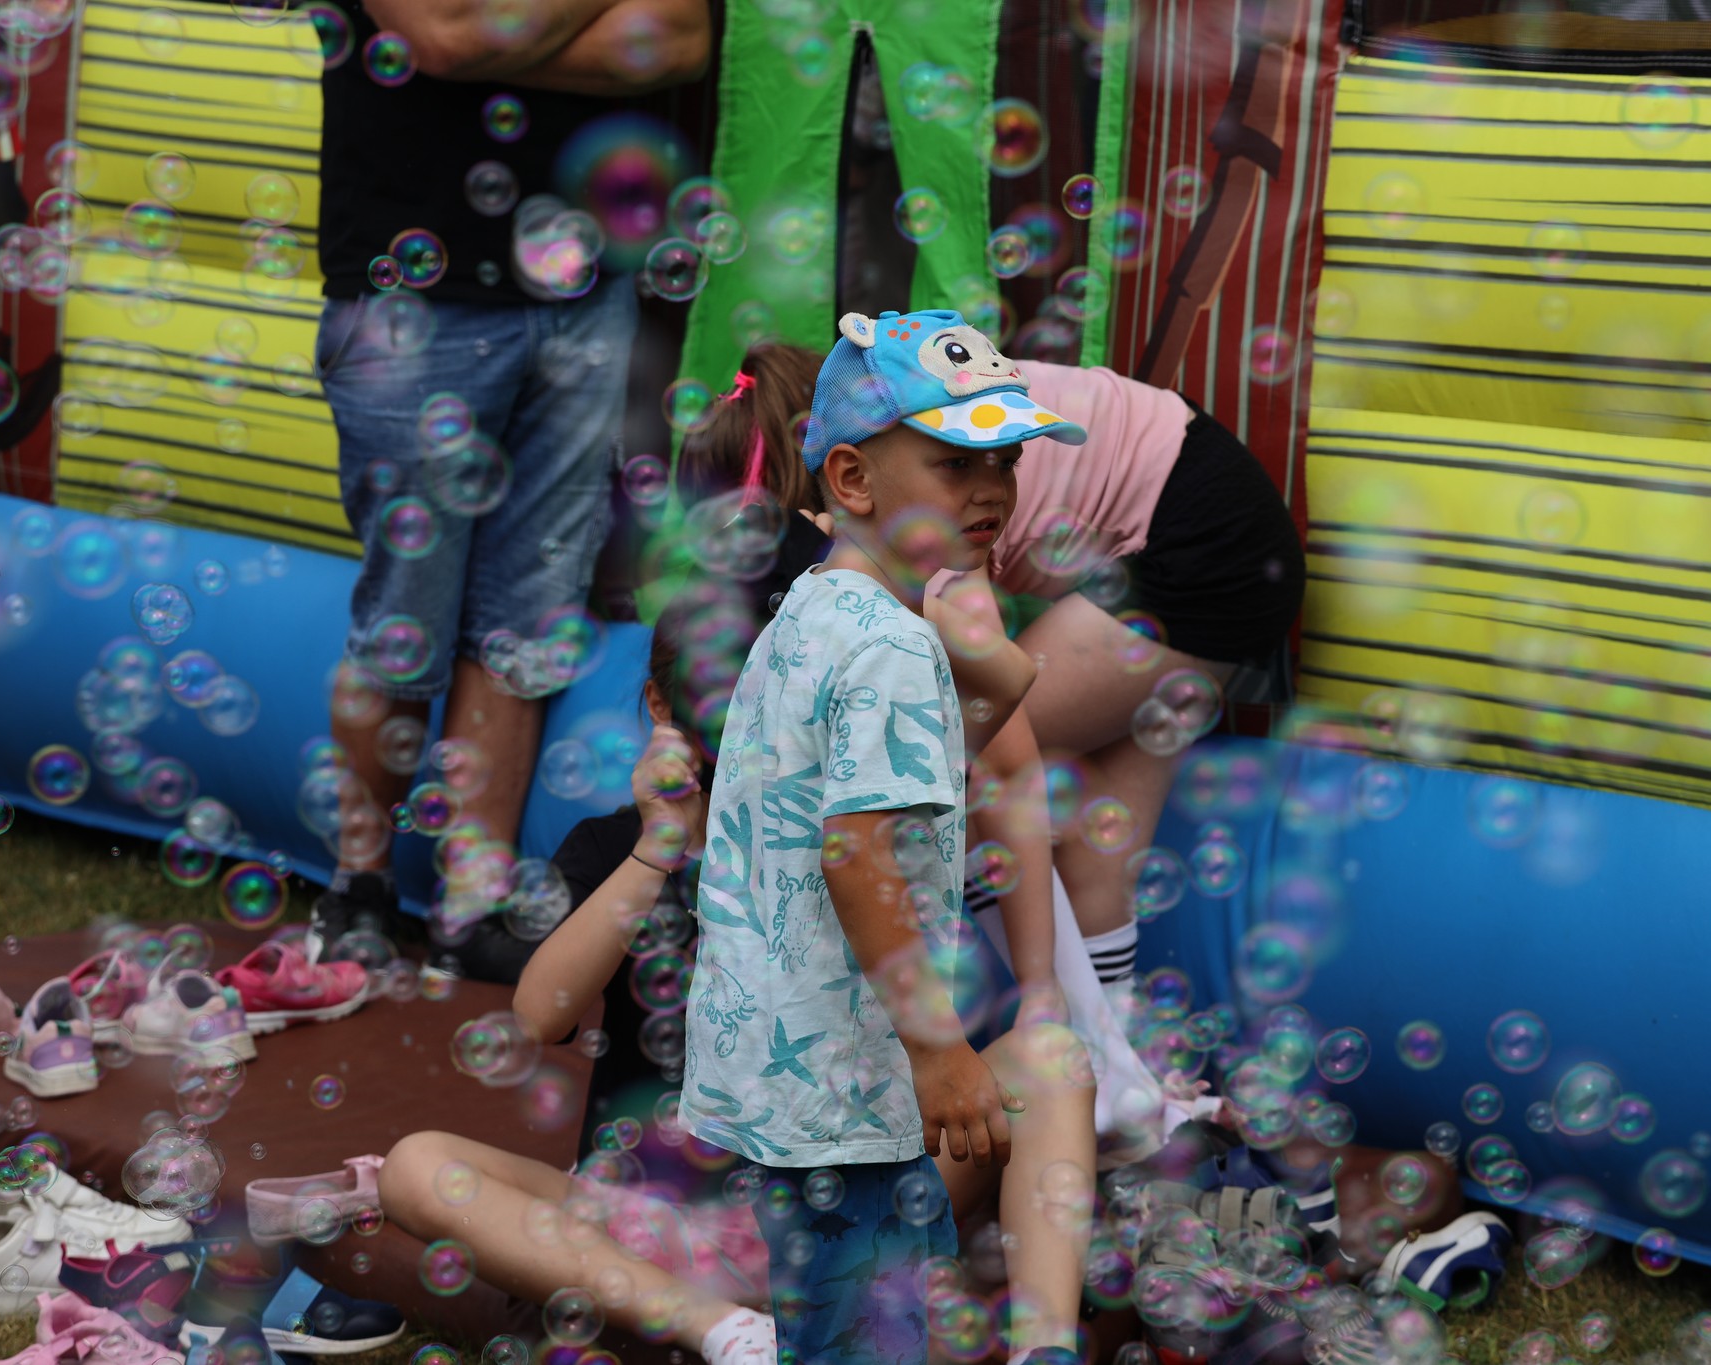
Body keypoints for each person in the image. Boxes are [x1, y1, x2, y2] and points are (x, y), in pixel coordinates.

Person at [380, 575, 1097, 1364]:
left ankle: (1045, 1353)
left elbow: (996, 701)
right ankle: (727, 1331)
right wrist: (657, 846)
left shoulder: (857, 828)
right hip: (650, 1223)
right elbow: (538, 1013)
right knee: (417, 1166)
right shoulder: (614, 846)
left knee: (1049, 1057)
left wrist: (896, 592)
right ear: (663, 706)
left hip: (847, 1192)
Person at [681, 308, 1093, 1365]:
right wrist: (940, 1047)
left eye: (1004, 459)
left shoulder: (812, 610)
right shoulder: (893, 648)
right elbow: (856, 852)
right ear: (854, 479)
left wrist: (985, 657)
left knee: (848, 1322)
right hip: (850, 1077)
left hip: (787, 1064)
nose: (992, 489)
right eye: (957, 462)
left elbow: (934, 766)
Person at [680, 343, 1306, 992]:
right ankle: (1110, 1045)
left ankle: (1051, 1018)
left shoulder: (913, 515)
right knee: (1096, 834)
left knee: (948, 775)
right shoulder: (901, 409)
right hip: (1231, 523)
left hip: (1207, 545)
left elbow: (1001, 744)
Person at [304, 0, 712, 967]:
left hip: (585, 286)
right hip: (408, 292)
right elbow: (441, 33)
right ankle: (360, 887)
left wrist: (499, 34)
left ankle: (473, 906)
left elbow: (679, 37)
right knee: (405, 611)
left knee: (530, 615)